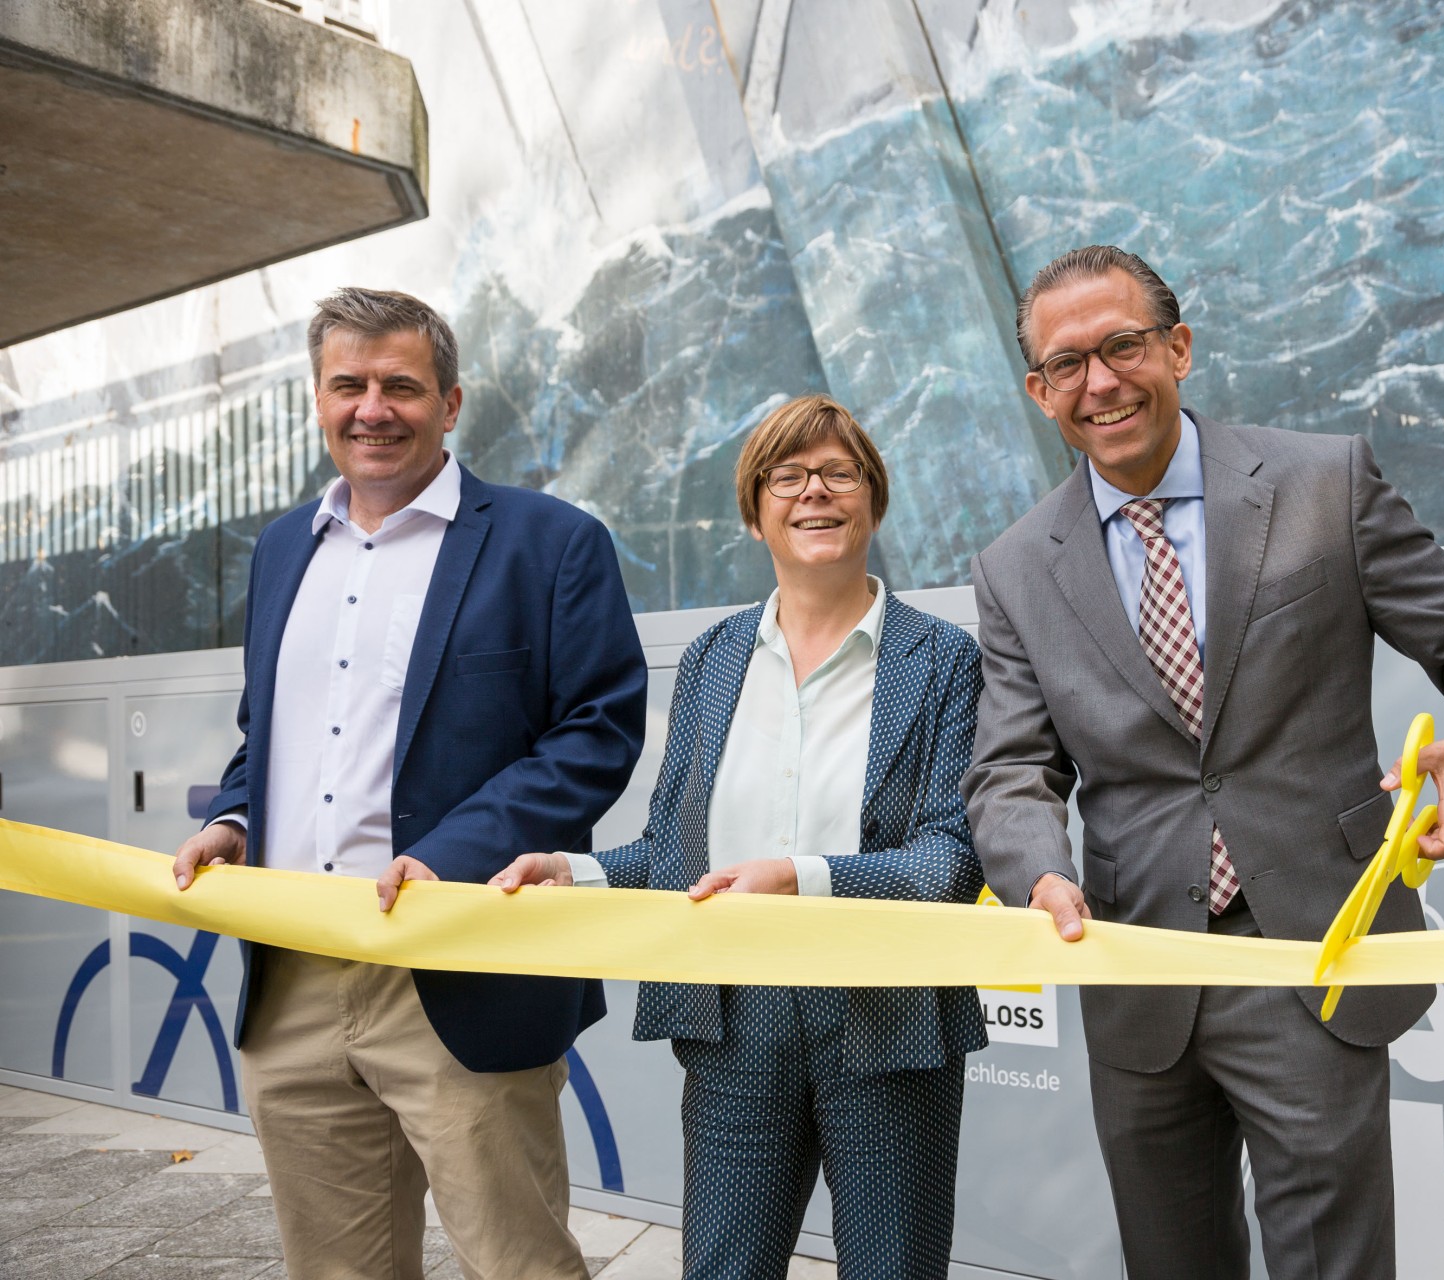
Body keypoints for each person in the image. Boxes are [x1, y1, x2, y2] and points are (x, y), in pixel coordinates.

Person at [961, 246, 1444, 1280]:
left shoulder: (1327, 481)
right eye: (1068, 364)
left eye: (1123, 346)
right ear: (1040, 390)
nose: (1099, 382)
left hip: (1311, 958)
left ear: (1177, 347)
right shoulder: (1013, 567)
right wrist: (1037, 871)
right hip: (1136, 968)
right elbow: (1010, 769)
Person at [169, 287, 649, 1280]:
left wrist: (448, 854)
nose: (372, 408)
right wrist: (233, 814)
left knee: (520, 1264)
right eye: (349, 385)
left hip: (461, 963)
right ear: (318, 400)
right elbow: (269, 733)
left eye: (401, 385)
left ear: (452, 400)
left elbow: (597, 730)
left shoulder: (551, 543)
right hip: (293, 969)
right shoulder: (276, 551)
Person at [492, 394, 986, 1280]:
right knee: (723, 1268)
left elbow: (950, 859)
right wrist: (575, 870)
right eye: (787, 477)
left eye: (839, 474)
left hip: (885, 1009)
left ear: (873, 499)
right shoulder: (714, 659)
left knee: (895, 1270)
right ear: (755, 514)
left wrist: (805, 878)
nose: (815, 495)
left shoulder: (944, 659)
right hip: (734, 1018)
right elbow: (675, 854)